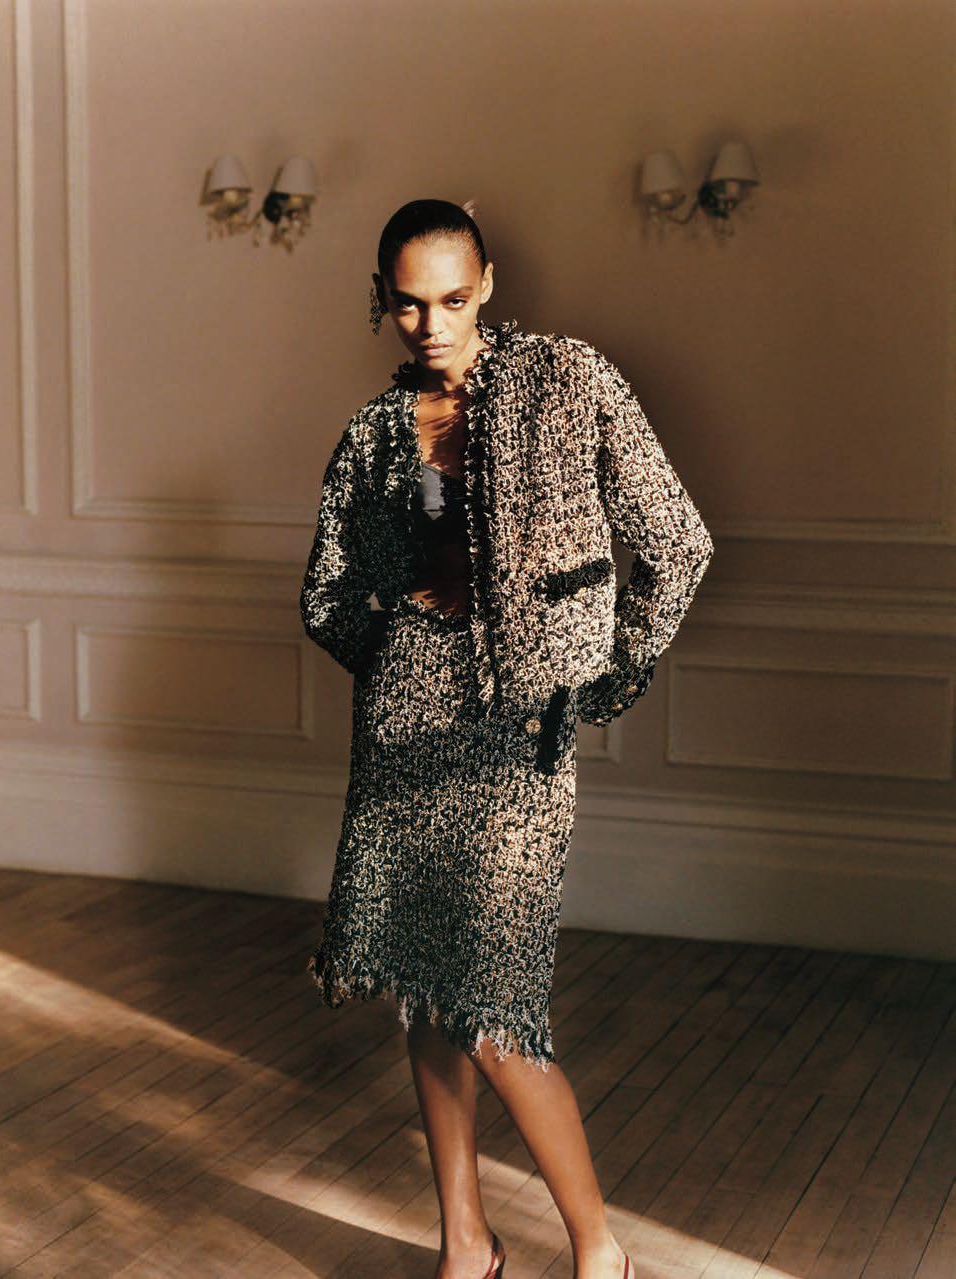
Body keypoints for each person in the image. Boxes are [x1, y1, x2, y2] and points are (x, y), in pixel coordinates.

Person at [300, 198, 714, 1279]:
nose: (431, 323)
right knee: (427, 995)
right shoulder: (373, 434)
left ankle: (598, 1249)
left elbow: (678, 542)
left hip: (514, 735)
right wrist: (399, 646)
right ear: (381, 300)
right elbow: (327, 596)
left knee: (492, 1004)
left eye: (451, 297)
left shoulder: (569, 381)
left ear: (485, 285)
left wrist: (603, 673)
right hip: (404, 732)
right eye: (408, 303)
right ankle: (465, 1244)